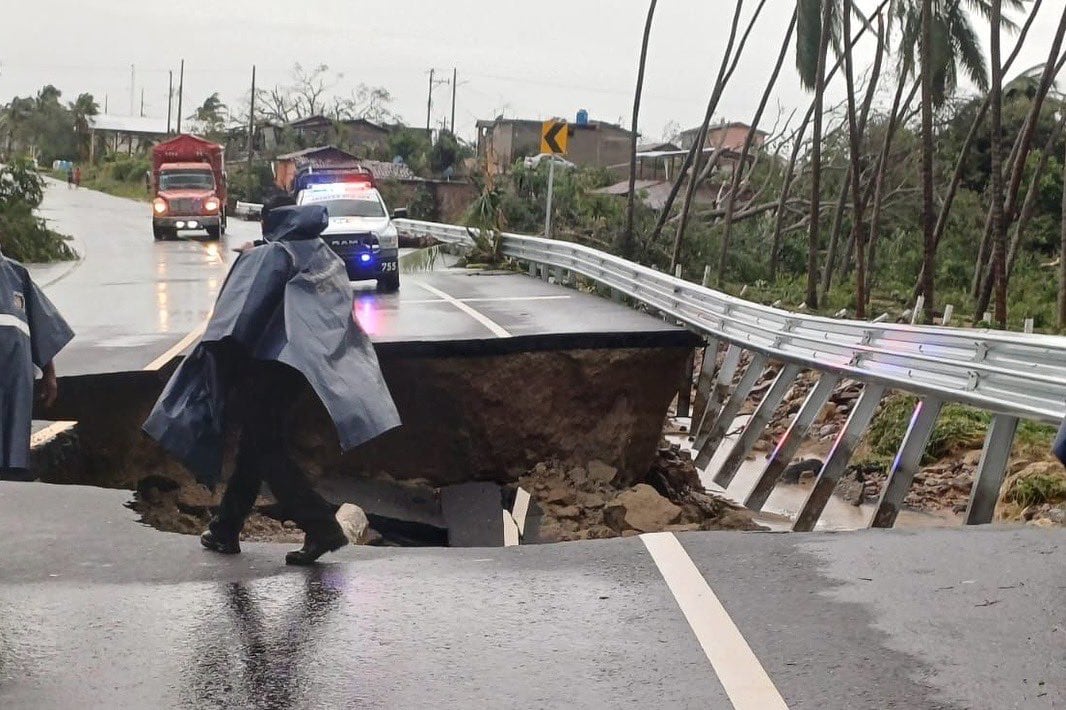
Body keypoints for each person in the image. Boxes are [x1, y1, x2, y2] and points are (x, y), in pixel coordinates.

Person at [143, 194, 400, 565]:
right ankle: (226, 529)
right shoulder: (321, 254)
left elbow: (242, 315)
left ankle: (320, 526)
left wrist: (226, 362)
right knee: (256, 447)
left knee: (266, 450)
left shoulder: (274, 255)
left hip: (265, 367)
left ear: (271, 220)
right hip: (301, 369)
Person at [0, 246, 74, 481]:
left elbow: (42, 327)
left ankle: (12, 474)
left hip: (15, 379)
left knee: (12, 443)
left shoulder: (16, 275)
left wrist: (49, 374)